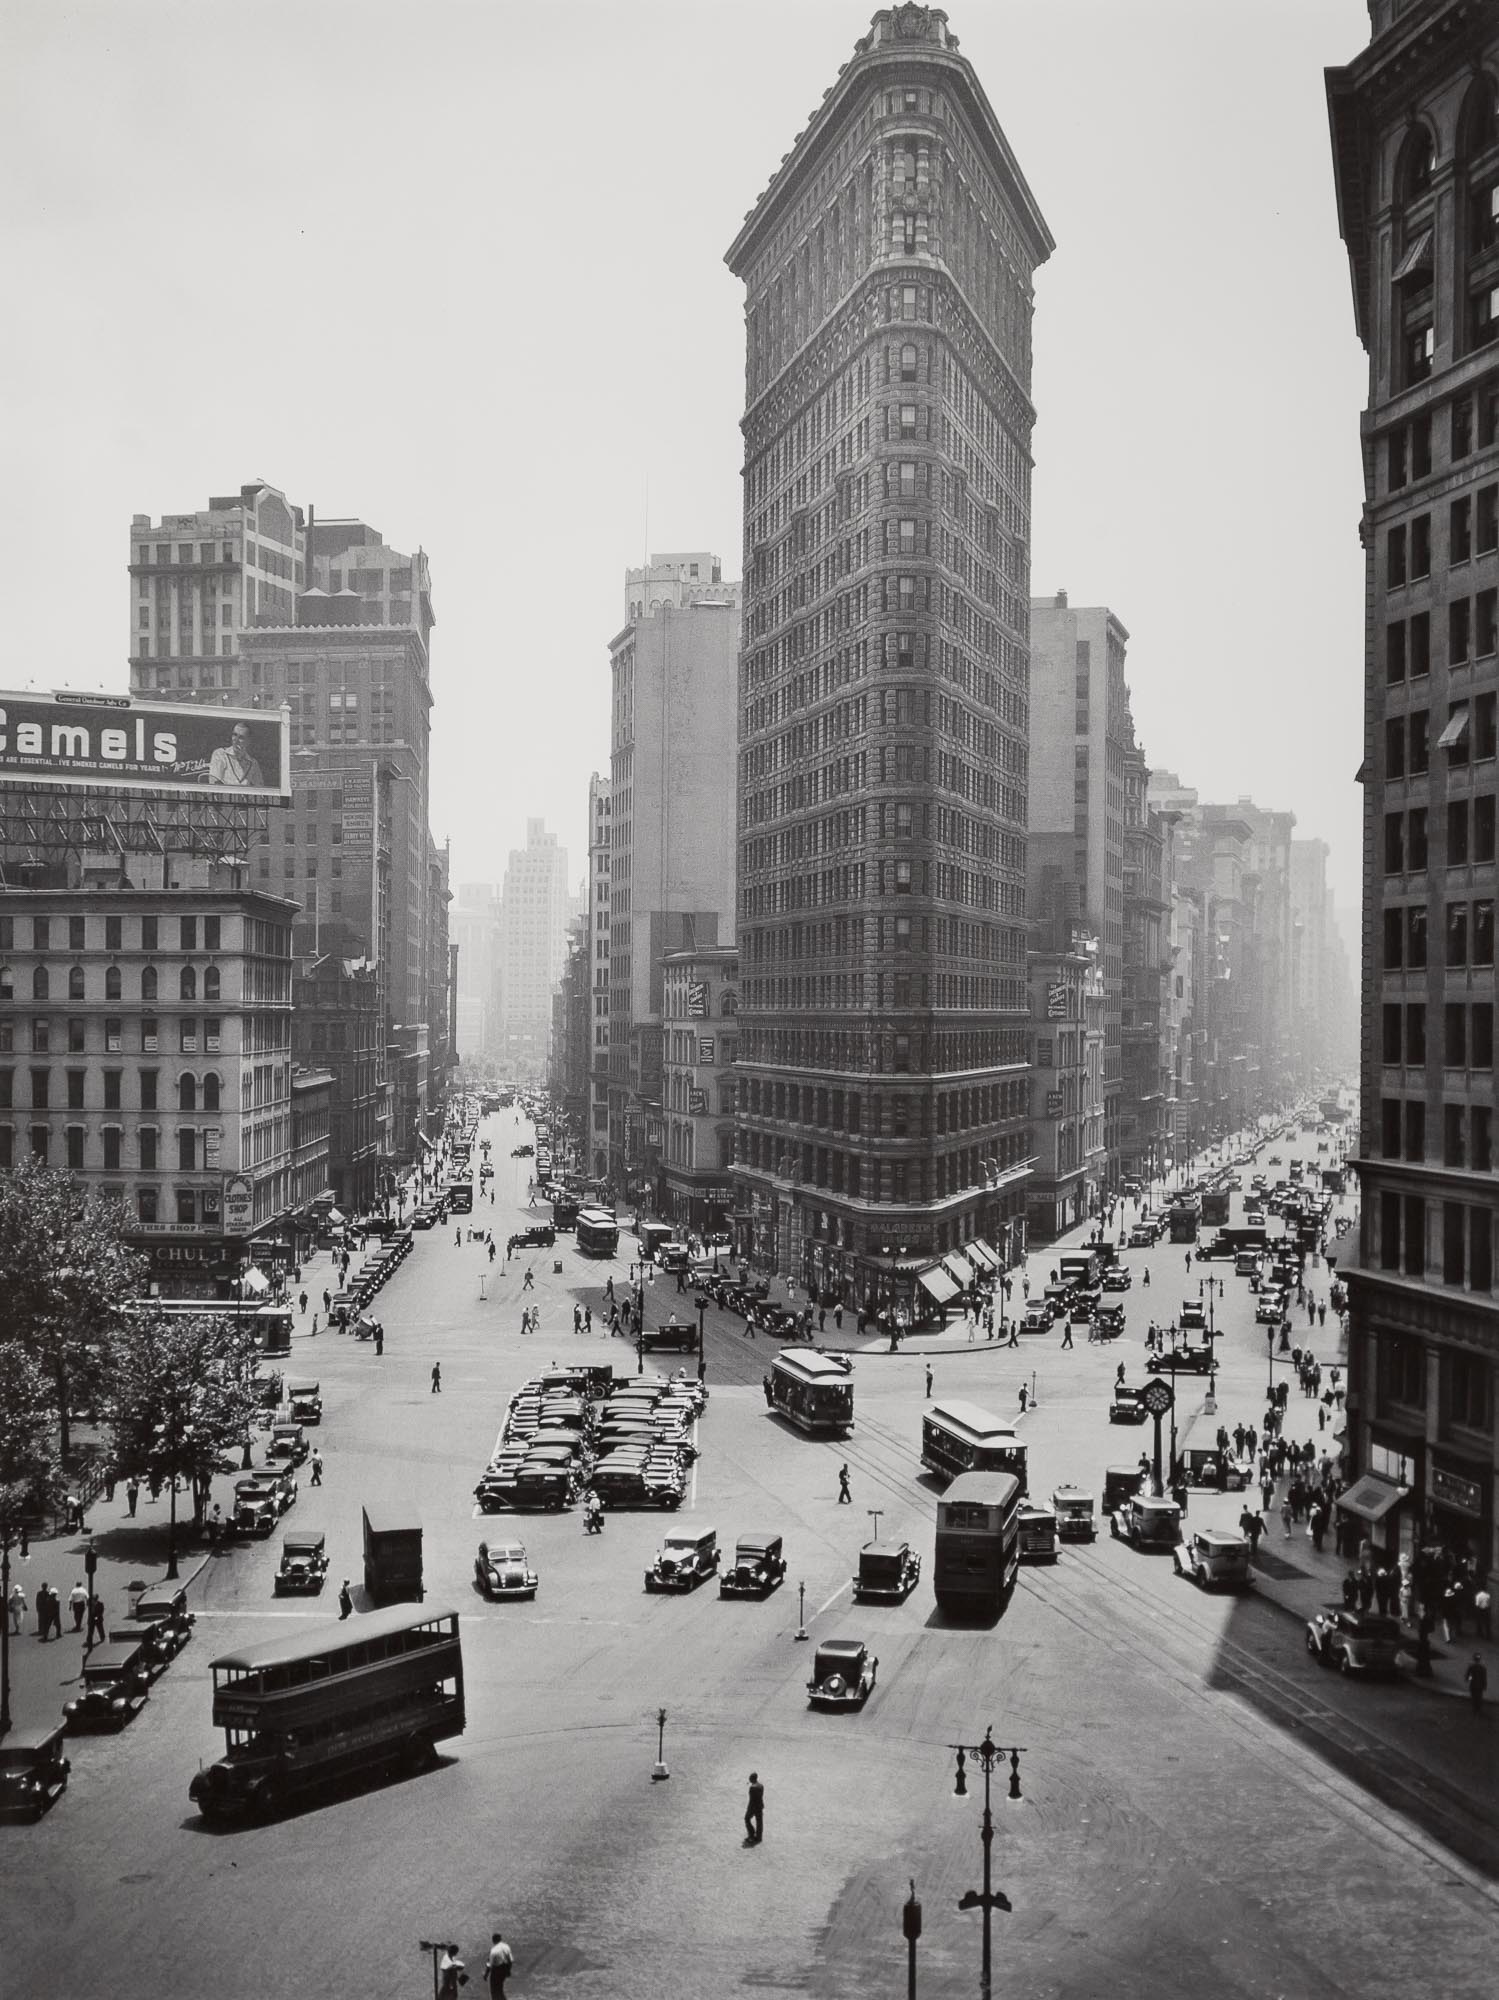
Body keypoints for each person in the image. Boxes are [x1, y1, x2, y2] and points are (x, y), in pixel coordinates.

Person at [207, 719, 263, 787]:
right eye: (234, 735)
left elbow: (260, 789)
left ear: (248, 741)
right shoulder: (220, 754)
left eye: (241, 737)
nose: (236, 740)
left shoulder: (253, 763)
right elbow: (214, 783)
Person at [745, 1771, 765, 1844]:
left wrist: (749, 1808)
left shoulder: (752, 1788)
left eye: (750, 1777)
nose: (749, 1779)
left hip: (753, 1807)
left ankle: (751, 1835)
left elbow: (751, 1800)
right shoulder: (761, 1786)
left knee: (747, 1819)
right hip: (760, 1806)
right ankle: (759, 1837)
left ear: (752, 1779)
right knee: (759, 1822)